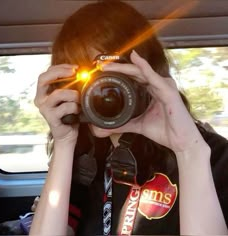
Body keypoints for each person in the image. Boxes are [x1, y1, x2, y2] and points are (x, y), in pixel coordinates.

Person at [30, 1, 228, 235]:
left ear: (148, 72)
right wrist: (64, 144)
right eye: (86, 78)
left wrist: (188, 152)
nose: (99, 91)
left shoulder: (211, 156)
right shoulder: (84, 159)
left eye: (111, 73)